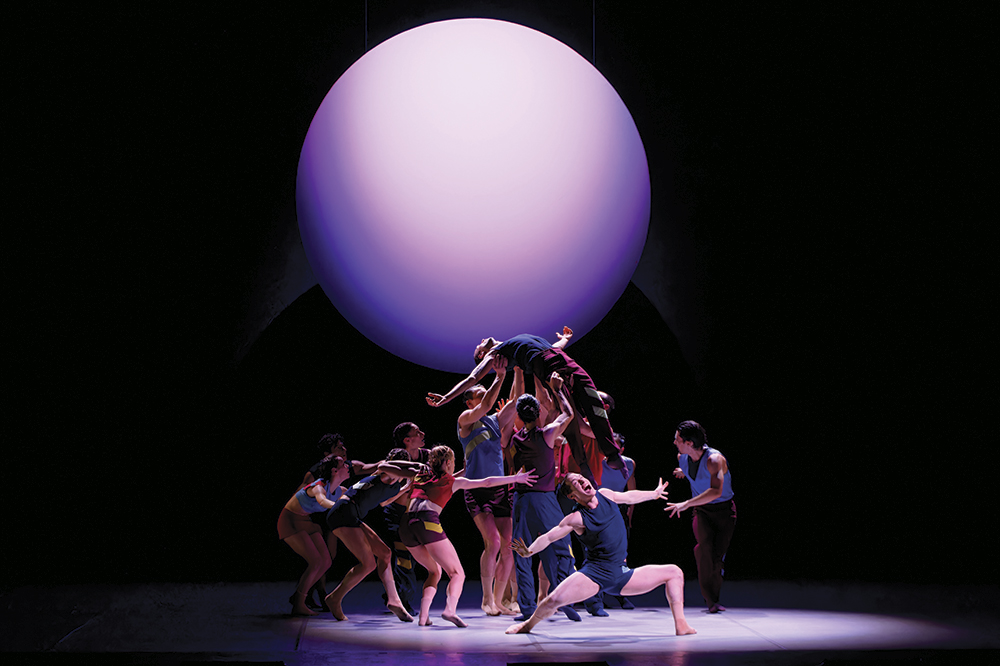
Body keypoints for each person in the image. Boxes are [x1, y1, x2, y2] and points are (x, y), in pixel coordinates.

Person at [506, 473, 696, 636]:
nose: (582, 481)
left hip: (621, 574)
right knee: (553, 600)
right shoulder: (576, 518)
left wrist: (653, 494)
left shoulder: (605, 495)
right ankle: (527, 625)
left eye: (581, 477)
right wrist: (529, 551)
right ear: (573, 496)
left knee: (674, 572)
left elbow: (629, 497)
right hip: (594, 575)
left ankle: (681, 625)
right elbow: (549, 537)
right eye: (576, 482)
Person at [426, 327, 624, 476]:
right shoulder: (496, 353)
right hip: (546, 364)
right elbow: (473, 378)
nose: (481, 341)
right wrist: (446, 398)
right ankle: (584, 465)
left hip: (560, 357)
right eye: (479, 346)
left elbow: (551, 348)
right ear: (481, 354)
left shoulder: (512, 344)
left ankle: (613, 454)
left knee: (594, 402)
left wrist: (564, 339)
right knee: (569, 414)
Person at [399, 444, 537, 627]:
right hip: (427, 522)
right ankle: (450, 610)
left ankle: (423, 618)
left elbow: (437, 480)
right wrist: (516, 478)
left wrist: (464, 471)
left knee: (434, 571)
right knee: (457, 573)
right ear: (449, 462)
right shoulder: (452, 482)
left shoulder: (420, 475)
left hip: (405, 525)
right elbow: (487, 482)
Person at [505, 373, 581, 623]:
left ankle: (528, 608)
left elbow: (512, 463)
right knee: (559, 548)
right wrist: (558, 389)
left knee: (522, 551)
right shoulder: (547, 434)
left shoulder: (515, 440)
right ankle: (564, 600)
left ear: (519, 415)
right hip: (545, 500)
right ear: (538, 413)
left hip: (522, 501)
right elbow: (568, 414)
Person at [322, 457, 428, 622]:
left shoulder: (393, 485)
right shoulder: (384, 473)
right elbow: (389, 466)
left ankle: (394, 601)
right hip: (344, 512)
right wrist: (416, 466)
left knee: (385, 553)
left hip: (352, 514)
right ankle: (334, 598)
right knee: (368, 564)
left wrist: (406, 486)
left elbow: (384, 503)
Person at [456, 358, 520, 615]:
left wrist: (517, 370)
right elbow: (487, 404)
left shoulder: (494, 420)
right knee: (492, 542)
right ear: (469, 402)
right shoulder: (465, 421)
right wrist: (499, 376)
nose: (485, 397)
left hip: (499, 490)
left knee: (508, 546)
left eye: (486, 392)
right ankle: (486, 599)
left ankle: (499, 600)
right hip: (476, 490)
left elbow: (515, 402)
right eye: (479, 395)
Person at [666, 420, 736, 614]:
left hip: (724, 511)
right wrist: (684, 472)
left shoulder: (714, 460)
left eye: (677, 439)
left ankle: (715, 597)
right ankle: (711, 601)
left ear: (689, 443)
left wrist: (686, 503)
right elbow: (693, 469)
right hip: (702, 511)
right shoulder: (682, 457)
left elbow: (715, 491)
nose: (674, 442)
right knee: (704, 550)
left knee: (716, 558)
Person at [277, 455, 350, 616]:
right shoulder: (318, 487)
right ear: (334, 470)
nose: (347, 466)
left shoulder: (341, 491)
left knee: (326, 561)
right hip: (290, 521)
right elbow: (322, 501)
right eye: (343, 464)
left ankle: (298, 596)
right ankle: (299, 603)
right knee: (316, 561)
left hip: (305, 521)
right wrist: (339, 506)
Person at [380, 423, 431, 615]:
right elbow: (385, 498)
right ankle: (403, 600)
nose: (422, 433)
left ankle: (394, 594)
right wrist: (406, 487)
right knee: (405, 559)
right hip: (396, 515)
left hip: (416, 514)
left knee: (415, 558)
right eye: (417, 432)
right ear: (407, 440)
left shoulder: (427, 456)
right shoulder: (396, 460)